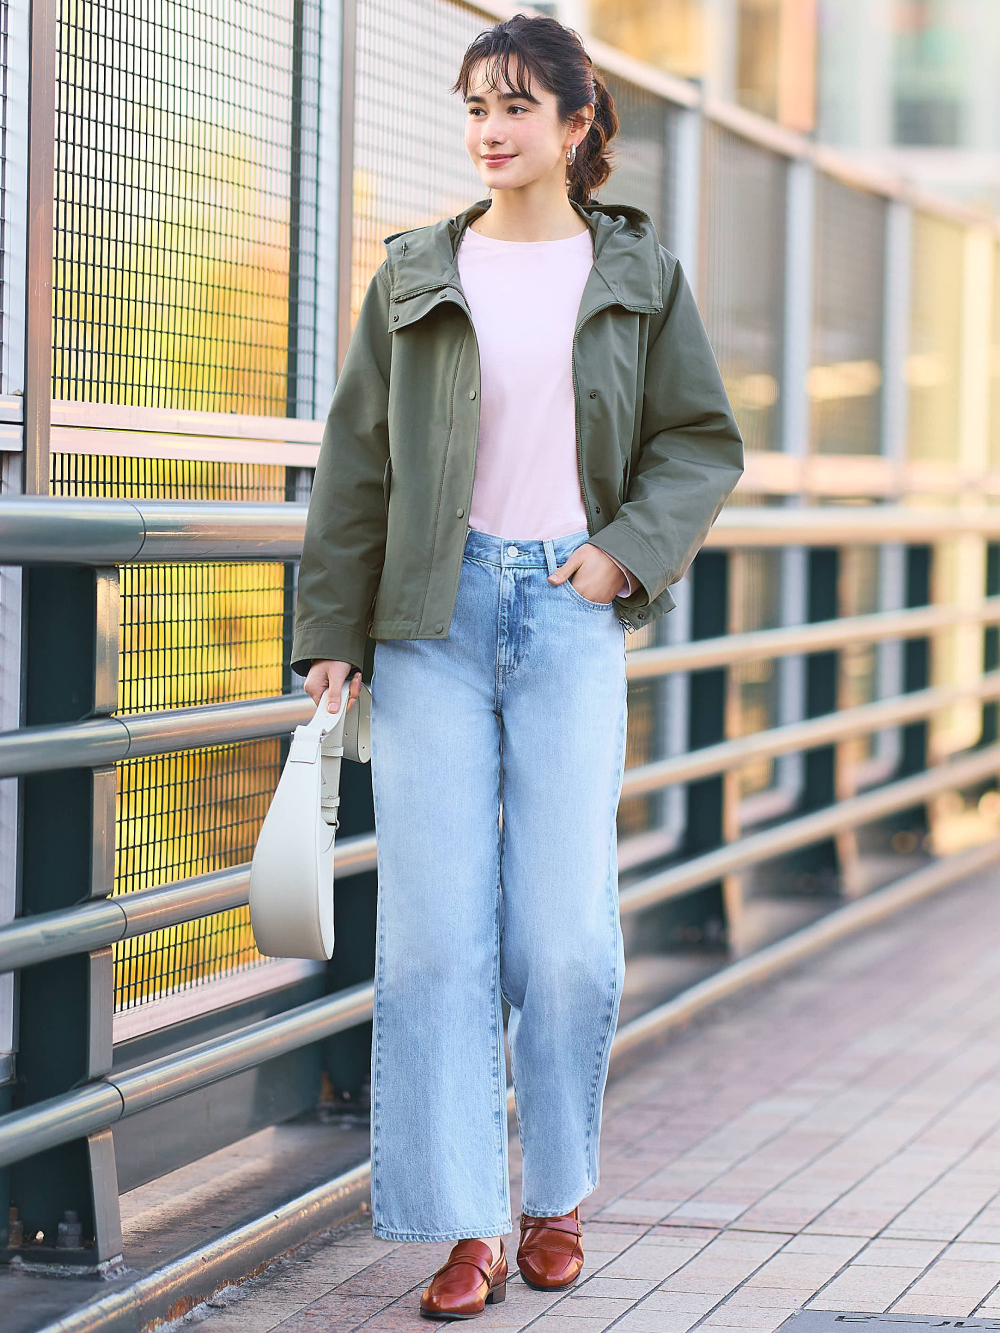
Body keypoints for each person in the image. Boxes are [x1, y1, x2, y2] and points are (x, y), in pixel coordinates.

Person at [291, 12, 743, 1322]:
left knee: (564, 940)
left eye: (516, 105)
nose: (490, 128)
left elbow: (699, 442)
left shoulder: (638, 275)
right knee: (435, 941)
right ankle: (467, 1224)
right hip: (428, 620)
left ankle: (554, 1193)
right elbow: (358, 463)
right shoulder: (418, 273)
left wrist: (623, 553)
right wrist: (331, 630)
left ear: (577, 123)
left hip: (566, 614)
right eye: (475, 105)